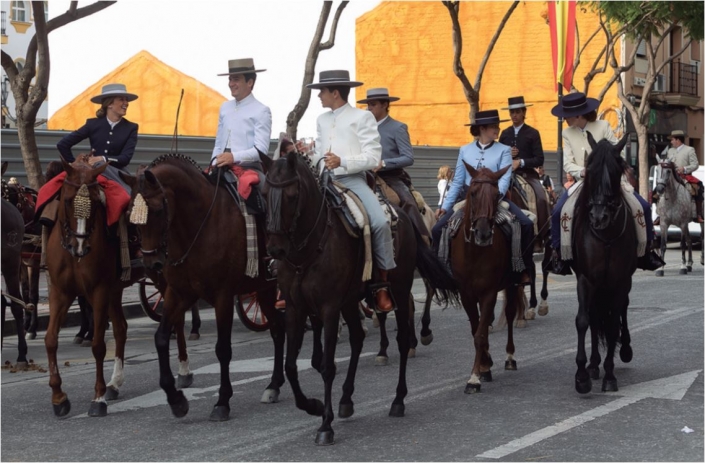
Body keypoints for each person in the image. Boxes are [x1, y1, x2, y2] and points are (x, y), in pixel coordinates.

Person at [307, 70, 395, 312]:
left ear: (335, 92)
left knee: (379, 222)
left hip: (353, 180)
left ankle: (382, 286)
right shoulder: (322, 120)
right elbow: (321, 155)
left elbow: (373, 157)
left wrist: (343, 161)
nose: (319, 96)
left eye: (321, 91)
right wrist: (308, 152)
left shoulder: (362, 117)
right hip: (323, 180)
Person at [549, 92, 662, 274]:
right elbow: (568, 163)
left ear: (578, 115)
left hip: (610, 181)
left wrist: (605, 169)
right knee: (558, 211)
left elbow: (620, 154)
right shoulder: (567, 133)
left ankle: (646, 251)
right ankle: (559, 254)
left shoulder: (603, 126)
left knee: (643, 207)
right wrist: (582, 171)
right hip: (584, 181)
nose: (564, 119)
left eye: (566, 115)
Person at [432, 109, 535, 283]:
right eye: (493, 126)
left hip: (496, 198)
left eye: (497, 126)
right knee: (437, 229)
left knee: (526, 224)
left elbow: (504, 178)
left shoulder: (504, 150)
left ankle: (521, 268)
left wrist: (493, 197)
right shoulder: (465, 150)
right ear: (481, 128)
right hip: (468, 200)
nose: (497, 129)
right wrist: (445, 207)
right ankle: (443, 271)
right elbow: (457, 182)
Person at [357, 87, 430, 244]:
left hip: (391, 177)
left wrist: (383, 163)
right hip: (363, 175)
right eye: (368, 104)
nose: (369, 108)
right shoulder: (361, 128)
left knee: (408, 202)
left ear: (385, 105)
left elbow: (408, 158)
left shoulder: (398, 128)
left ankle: (421, 243)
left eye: (373, 104)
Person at [211, 58, 271, 186]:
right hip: (221, 167)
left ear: (250, 82)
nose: (231, 84)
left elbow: (261, 151)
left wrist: (233, 157)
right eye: (230, 79)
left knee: (261, 196)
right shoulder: (224, 107)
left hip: (249, 169)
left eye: (236, 79)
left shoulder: (262, 111)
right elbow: (218, 145)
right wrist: (213, 164)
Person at [663, 129, 703, 223]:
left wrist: (684, 168)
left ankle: (698, 214)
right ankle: (660, 214)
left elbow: (695, 165)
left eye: (672, 139)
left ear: (678, 140)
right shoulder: (670, 151)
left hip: (684, 177)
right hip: (671, 177)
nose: (671, 141)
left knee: (699, 189)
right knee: (657, 190)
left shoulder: (690, 149)